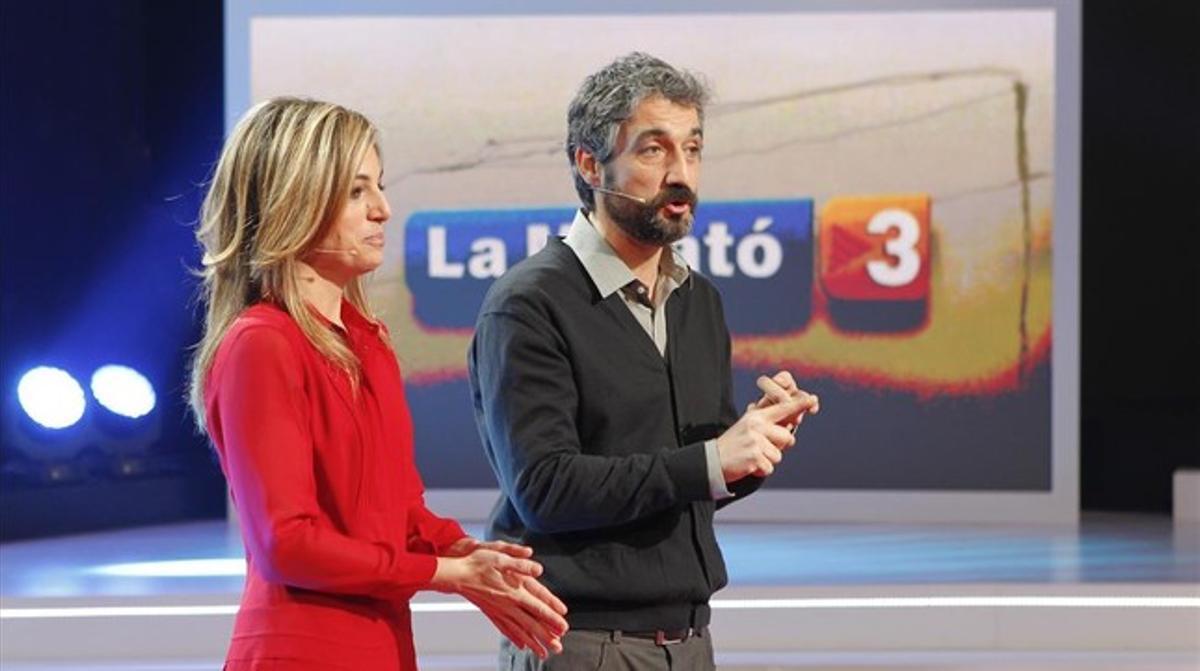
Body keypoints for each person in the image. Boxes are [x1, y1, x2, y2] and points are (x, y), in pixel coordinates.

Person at [188, 97, 568, 670]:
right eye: (357, 191)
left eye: (380, 187)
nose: (384, 210)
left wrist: (469, 557)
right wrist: (443, 573)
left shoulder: (368, 341)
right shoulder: (261, 343)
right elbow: (286, 543)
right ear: (294, 200)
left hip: (383, 647)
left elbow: (398, 511)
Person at [468, 53, 820, 670]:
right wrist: (712, 458)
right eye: (654, 151)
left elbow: (686, 479)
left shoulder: (698, 299)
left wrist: (752, 446)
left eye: (692, 150)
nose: (680, 174)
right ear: (588, 163)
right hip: (581, 643)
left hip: (687, 641)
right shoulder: (529, 303)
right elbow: (545, 490)